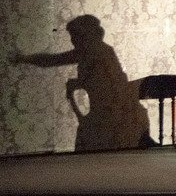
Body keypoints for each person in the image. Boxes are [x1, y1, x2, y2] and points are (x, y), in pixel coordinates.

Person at [12, 14, 154, 151]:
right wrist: (79, 83)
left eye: (75, 36)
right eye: (72, 36)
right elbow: (99, 80)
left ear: (86, 34)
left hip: (114, 117)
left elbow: (53, 61)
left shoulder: (96, 51)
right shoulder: (95, 51)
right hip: (105, 115)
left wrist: (24, 59)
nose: (73, 41)